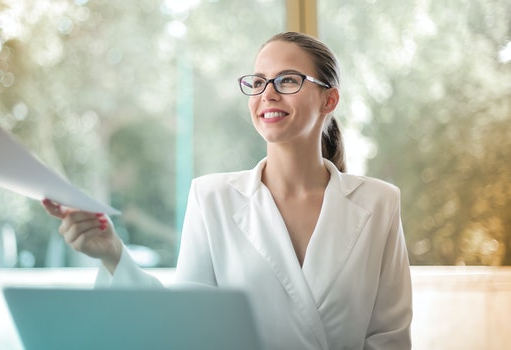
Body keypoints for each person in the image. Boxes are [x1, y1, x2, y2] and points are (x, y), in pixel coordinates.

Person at [43, 31, 412, 349]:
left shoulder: (379, 203)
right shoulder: (211, 198)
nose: (267, 94)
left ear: (328, 100)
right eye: (258, 81)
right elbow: (185, 327)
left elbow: (389, 337)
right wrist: (113, 255)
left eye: (287, 81)